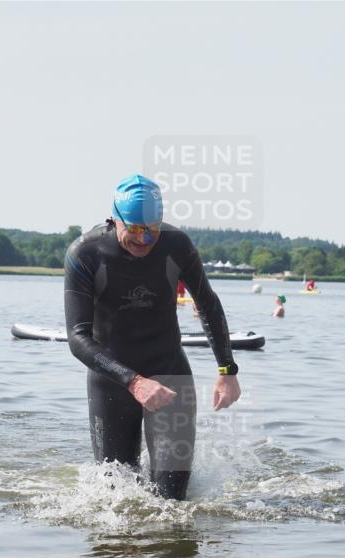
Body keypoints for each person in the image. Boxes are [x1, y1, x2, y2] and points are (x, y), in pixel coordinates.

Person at [64, 175, 241, 502]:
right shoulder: (85, 253)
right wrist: (133, 381)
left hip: (169, 373)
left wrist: (227, 371)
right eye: (134, 229)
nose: (144, 239)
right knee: (115, 499)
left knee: (173, 503)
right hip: (112, 383)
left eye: (152, 228)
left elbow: (208, 304)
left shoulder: (177, 245)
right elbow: (77, 337)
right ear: (115, 218)